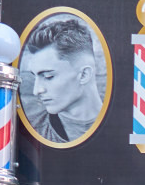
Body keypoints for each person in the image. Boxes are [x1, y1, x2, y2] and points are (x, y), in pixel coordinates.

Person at [20, 16, 104, 144]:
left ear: (84, 75)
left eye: (48, 76)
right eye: (34, 76)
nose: (36, 91)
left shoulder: (122, 126)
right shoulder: (31, 131)